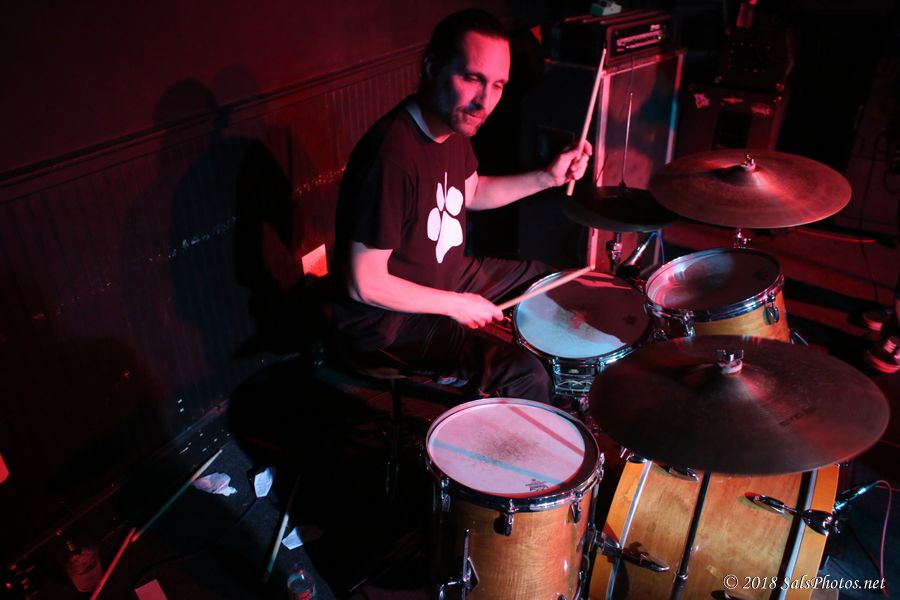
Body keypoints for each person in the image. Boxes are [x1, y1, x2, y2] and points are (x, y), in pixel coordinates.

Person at [330, 9, 592, 403]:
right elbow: (364, 283)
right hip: (389, 325)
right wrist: (455, 304)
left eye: (498, 85)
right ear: (433, 67)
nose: (485, 101)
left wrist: (548, 178)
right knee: (523, 377)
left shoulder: (453, 127)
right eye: (472, 79)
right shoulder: (391, 157)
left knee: (550, 282)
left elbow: (471, 192)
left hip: (446, 276)